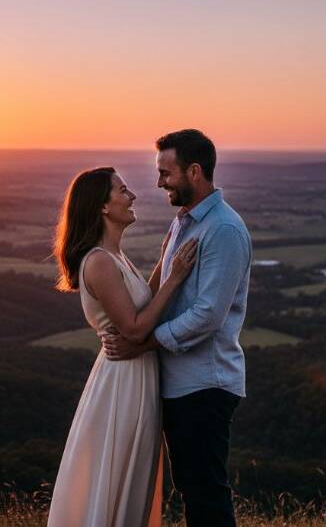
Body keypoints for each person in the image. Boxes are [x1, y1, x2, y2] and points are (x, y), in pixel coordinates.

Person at [101, 129, 252, 527]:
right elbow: (161, 285)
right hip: (181, 383)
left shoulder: (222, 230)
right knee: (193, 489)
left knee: (205, 492)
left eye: (166, 173)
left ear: (195, 172)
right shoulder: (184, 223)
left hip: (205, 383)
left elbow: (207, 316)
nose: (159, 183)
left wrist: (144, 344)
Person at [47, 166, 198, 527]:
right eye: (123, 190)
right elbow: (132, 329)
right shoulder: (98, 261)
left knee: (133, 474)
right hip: (122, 382)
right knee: (117, 474)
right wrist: (173, 280)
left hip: (137, 376)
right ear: (102, 206)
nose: (132, 197)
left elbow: (139, 309)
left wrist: (163, 261)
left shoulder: (114, 257)